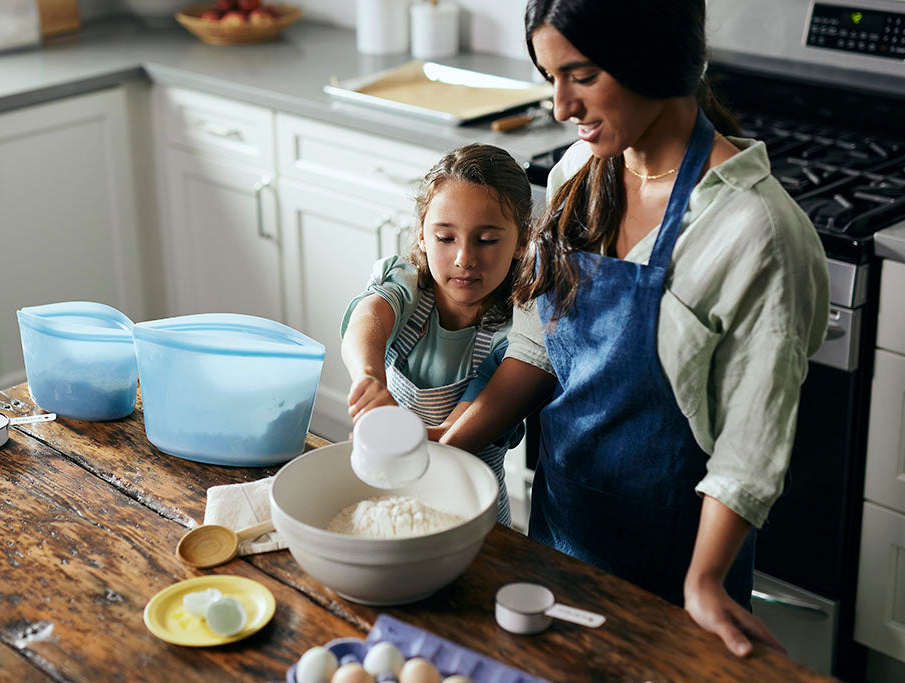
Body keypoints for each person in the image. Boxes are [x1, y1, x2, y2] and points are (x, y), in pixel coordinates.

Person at [439, 0, 829, 658]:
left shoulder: (751, 230)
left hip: (674, 573)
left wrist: (703, 582)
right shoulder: (576, 175)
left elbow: (748, 452)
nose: (561, 105)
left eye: (582, 75)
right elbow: (539, 347)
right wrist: (450, 442)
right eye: (550, 76)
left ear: (652, 57)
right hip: (560, 540)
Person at [340, 143, 532, 526]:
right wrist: (369, 379)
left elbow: (450, 438)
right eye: (446, 238)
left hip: (476, 514)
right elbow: (369, 318)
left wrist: (390, 433)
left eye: (487, 240)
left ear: (521, 242)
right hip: (394, 498)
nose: (464, 258)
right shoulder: (409, 286)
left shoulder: (518, 333)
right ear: (423, 237)